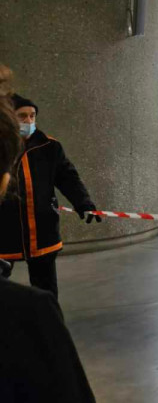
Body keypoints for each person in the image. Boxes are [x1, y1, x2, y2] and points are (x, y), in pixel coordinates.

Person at [1, 94, 101, 298]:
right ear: (9, 118)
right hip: (5, 230)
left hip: (42, 230)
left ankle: (46, 317)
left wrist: (84, 203)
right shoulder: (3, 148)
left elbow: (68, 178)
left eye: (32, 116)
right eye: (22, 116)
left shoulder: (50, 146)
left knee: (45, 288)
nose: (29, 121)